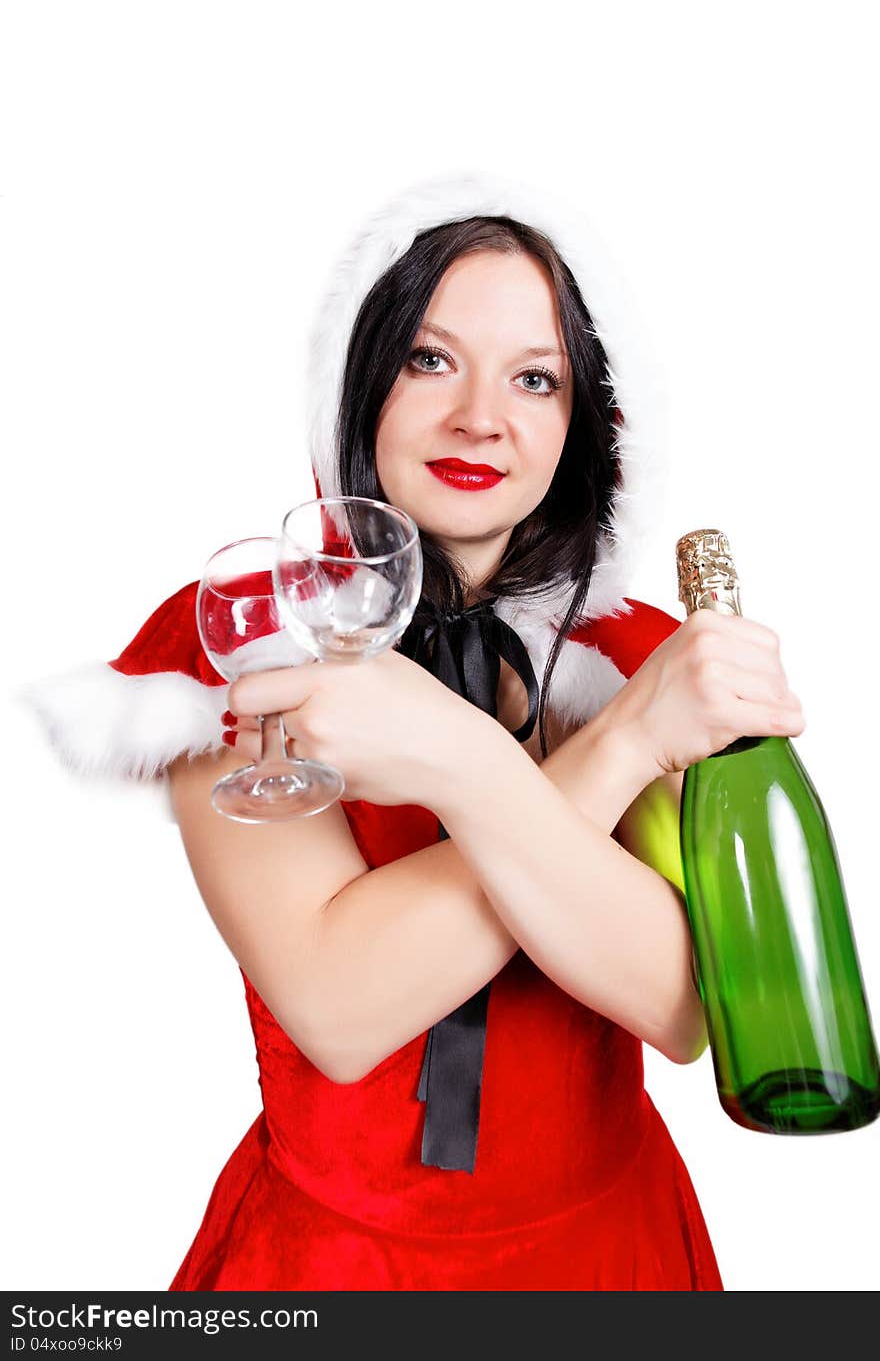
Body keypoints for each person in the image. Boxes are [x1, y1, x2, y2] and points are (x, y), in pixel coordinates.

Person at [26, 173, 805, 1290]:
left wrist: (504, 749)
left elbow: (680, 1008)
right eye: (429, 359)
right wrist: (574, 751)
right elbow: (342, 1008)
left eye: (534, 379)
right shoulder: (240, 640)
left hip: (610, 1254)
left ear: (583, 423)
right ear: (356, 385)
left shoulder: (634, 663)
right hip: (336, 1270)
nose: (479, 417)